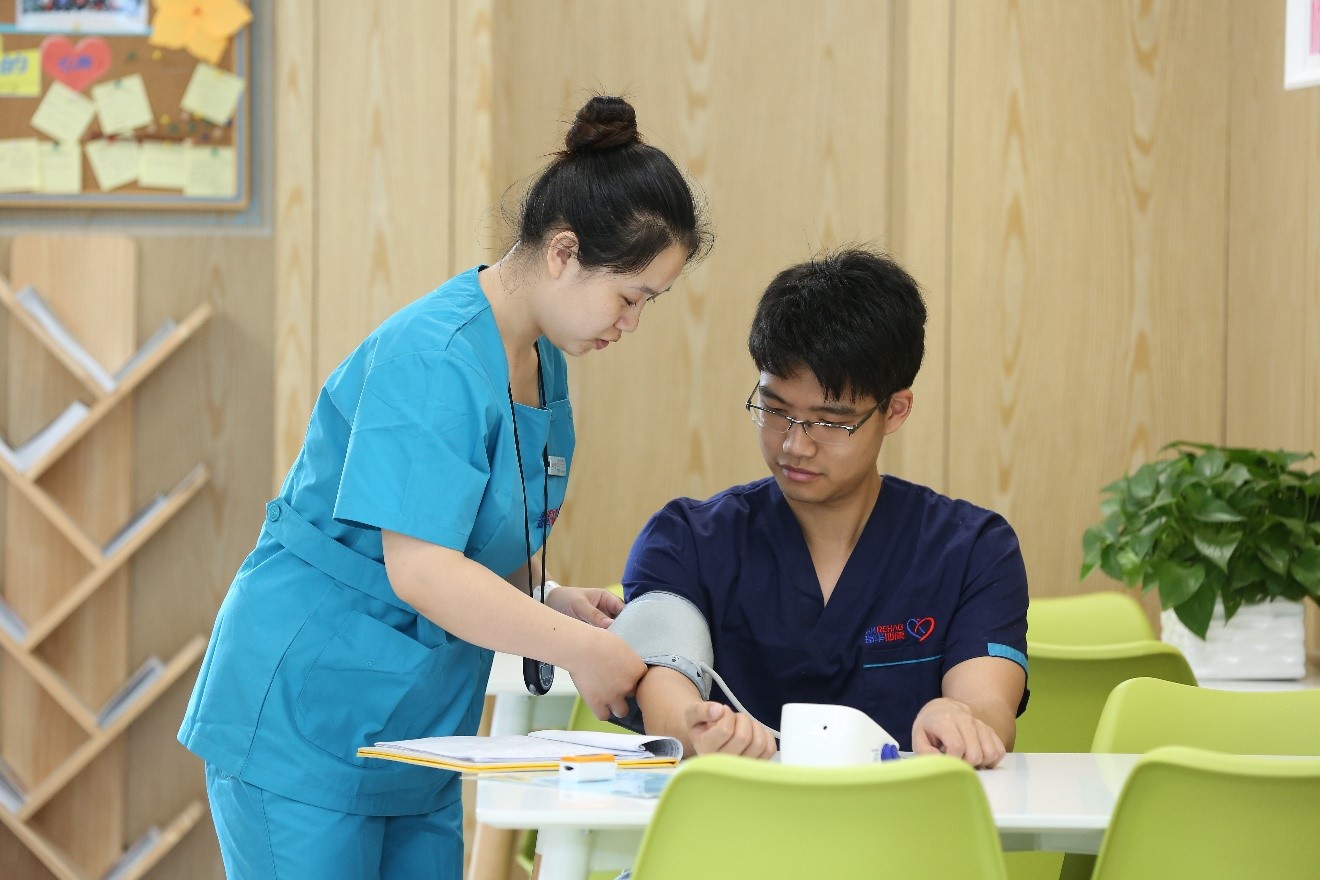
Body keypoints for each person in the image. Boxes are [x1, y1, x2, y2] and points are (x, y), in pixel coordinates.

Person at [178, 96, 710, 880]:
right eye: (630, 298)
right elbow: (422, 569)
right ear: (564, 253)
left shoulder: (541, 359)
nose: (630, 324)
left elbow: (464, 534)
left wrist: (549, 600)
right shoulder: (432, 357)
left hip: (418, 727)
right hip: (307, 715)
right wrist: (584, 651)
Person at [621, 248, 1028, 769]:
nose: (795, 445)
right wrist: (701, 731)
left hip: (906, 817)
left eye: (831, 422)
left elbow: (989, 707)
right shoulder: (687, 541)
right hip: (734, 813)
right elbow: (666, 694)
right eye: (775, 410)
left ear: (895, 410)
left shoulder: (973, 550)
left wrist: (957, 717)